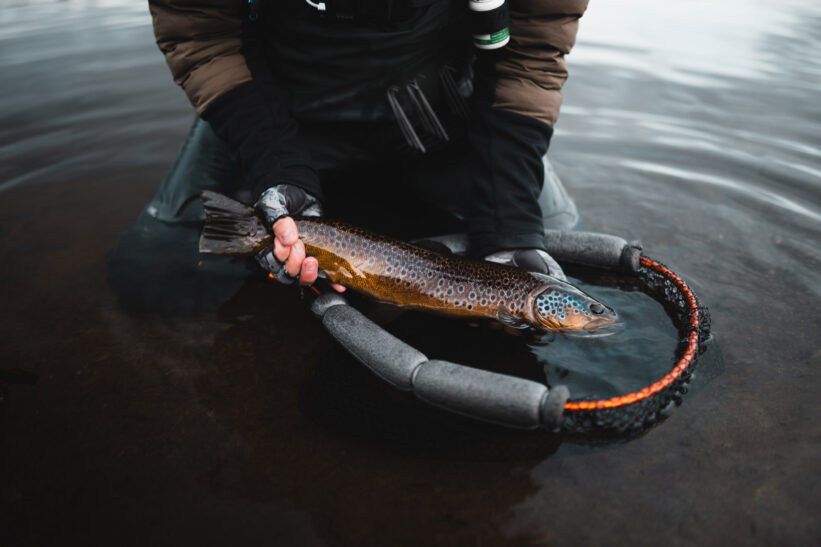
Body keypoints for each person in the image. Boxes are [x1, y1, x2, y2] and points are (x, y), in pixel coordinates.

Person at [145, 0, 587, 292]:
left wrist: (507, 214)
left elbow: (533, 50)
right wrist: (272, 162)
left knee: (562, 247)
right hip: (270, 109)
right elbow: (201, 36)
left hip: (441, 114)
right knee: (153, 279)